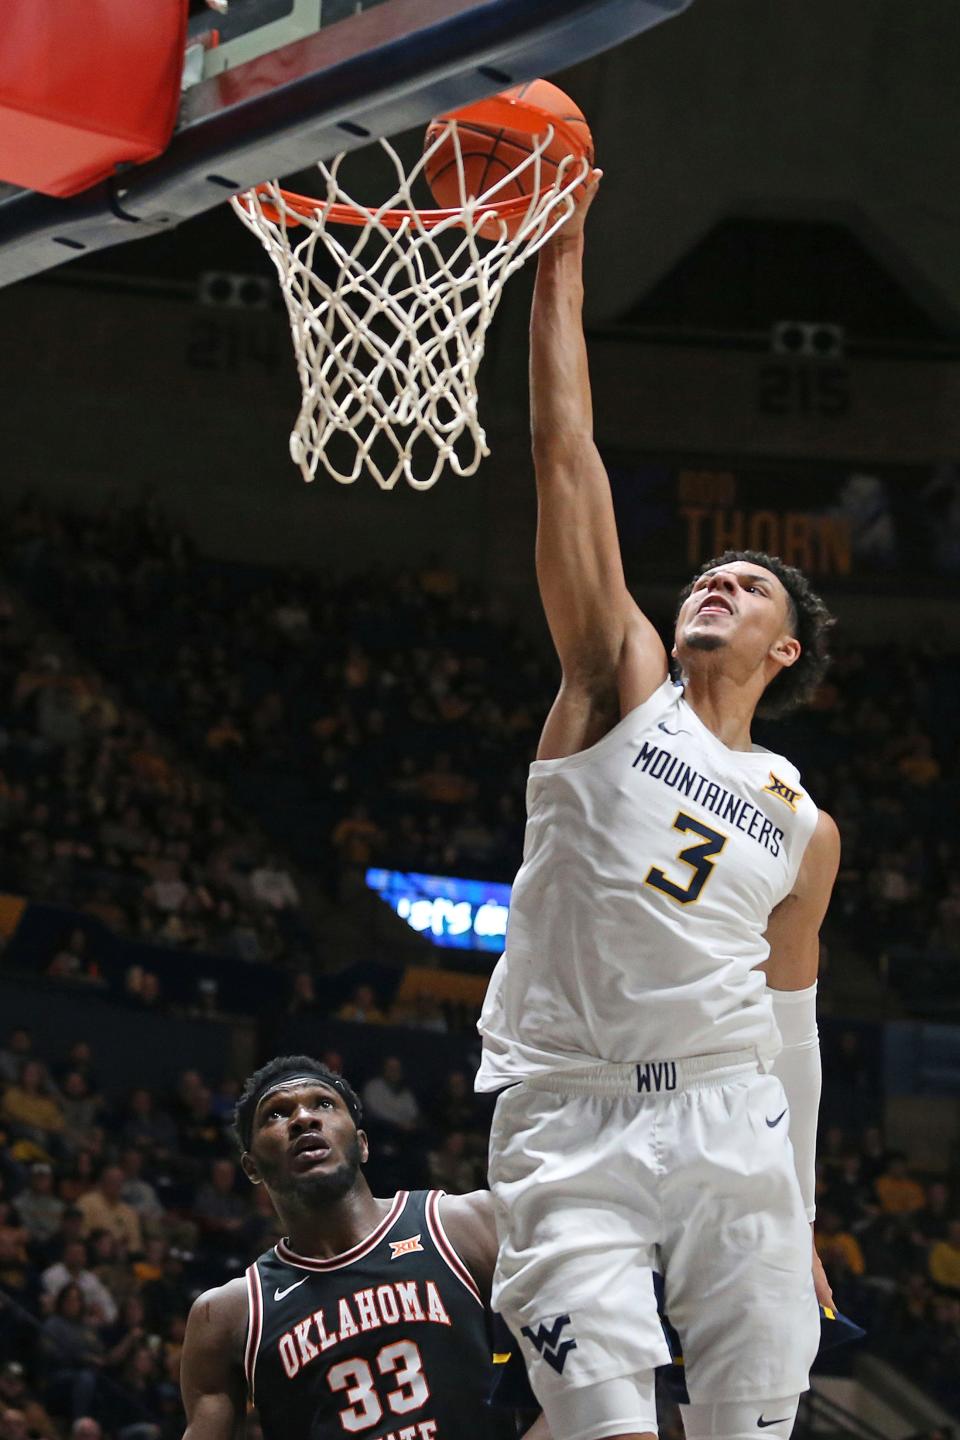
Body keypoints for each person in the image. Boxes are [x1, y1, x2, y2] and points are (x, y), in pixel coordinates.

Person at [476, 174, 841, 1440]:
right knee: (602, 1427)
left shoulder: (804, 821)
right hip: (568, 1111)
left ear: (786, 654)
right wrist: (558, 253)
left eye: (749, 587)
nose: (718, 583)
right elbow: (563, 454)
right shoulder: (618, 686)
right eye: (708, 573)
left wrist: (796, 1210)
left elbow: (793, 1030)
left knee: (756, 1423)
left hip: (734, 1115)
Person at [179, 1056, 519, 1440]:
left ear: (362, 1144)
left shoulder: (464, 1224)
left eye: (323, 1104)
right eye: (276, 1113)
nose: (303, 1119)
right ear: (251, 1166)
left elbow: (578, 1373)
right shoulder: (229, 1315)